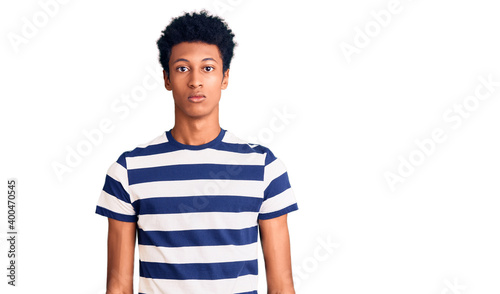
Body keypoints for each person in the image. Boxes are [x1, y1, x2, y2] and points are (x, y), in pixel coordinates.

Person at [95, 10, 298, 294]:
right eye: (182, 68)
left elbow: (281, 285)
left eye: (207, 68)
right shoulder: (128, 170)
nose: (195, 81)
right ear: (166, 78)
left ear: (225, 77)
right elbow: (117, 285)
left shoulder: (264, 167)